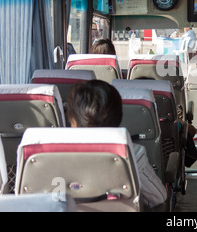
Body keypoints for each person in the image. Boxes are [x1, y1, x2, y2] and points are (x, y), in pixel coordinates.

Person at [67, 79, 168, 210]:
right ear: (119, 116)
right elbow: (158, 197)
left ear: (73, 120)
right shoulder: (131, 152)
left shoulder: (46, 154)